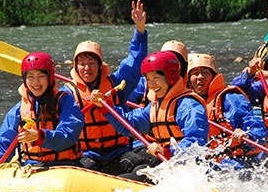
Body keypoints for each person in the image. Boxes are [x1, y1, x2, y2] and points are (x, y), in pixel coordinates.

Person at [90, 51, 209, 181]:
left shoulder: (188, 105)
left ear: (170, 76)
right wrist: (106, 106)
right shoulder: (157, 104)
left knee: (132, 177)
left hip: (191, 169)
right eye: (148, 80)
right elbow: (130, 123)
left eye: (155, 78)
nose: (151, 85)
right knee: (133, 174)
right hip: (169, 165)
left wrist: (169, 151)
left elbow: (197, 141)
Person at [65, 0, 148, 174]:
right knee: (85, 171)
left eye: (91, 63)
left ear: (100, 65)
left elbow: (135, 63)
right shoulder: (67, 94)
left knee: (141, 168)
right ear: (75, 66)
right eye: (82, 63)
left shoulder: (117, 84)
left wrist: (139, 31)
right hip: (87, 154)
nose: (87, 68)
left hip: (118, 152)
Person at [0, 52, 84, 167]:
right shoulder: (20, 108)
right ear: (24, 79)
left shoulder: (65, 101)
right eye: (30, 77)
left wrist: (41, 136)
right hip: (32, 165)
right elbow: (4, 141)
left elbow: (69, 134)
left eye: (41, 76)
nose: (35, 82)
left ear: (49, 77)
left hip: (65, 164)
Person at [186, 52, 267, 168]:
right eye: (195, 73)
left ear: (213, 76)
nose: (200, 77)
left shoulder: (229, 98)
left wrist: (247, 134)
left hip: (239, 163)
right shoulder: (188, 103)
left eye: (205, 72)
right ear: (189, 79)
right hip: (211, 163)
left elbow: (256, 126)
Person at [127, 39, 188, 107]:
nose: (171, 66)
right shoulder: (145, 82)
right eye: (168, 60)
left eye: (176, 61)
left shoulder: (191, 88)